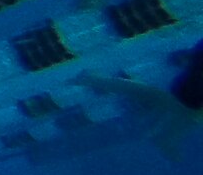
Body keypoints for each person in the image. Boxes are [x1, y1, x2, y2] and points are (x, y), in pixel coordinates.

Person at [74, 43, 203, 163]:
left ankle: (95, 80)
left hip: (191, 82)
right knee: (175, 105)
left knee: (169, 102)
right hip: (190, 87)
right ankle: (95, 80)